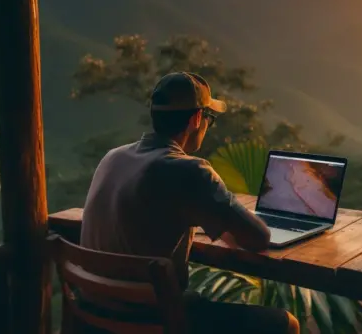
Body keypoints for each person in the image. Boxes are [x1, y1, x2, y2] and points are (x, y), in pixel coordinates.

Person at [80, 71, 300, 334]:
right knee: (287, 324)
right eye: (210, 118)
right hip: (154, 320)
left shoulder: (112, 158)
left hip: (94, 313)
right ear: (197, 119)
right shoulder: (189, 170)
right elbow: (259, 237)